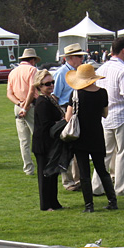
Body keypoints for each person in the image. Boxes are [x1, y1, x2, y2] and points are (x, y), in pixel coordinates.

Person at [94, 36, 124, 198]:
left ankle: (97, 186)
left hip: (106, 115)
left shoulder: (101, 69)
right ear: (123, 50)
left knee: (106, 153)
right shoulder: (123, 69)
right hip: (121, 114)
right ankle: (120, 187)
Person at [64, 63, 115, 213]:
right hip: (97, 135)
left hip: (80, 137)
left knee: (84, 172)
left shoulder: (75, 94)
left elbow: (68, 117)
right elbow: (104, 114)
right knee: (102, 170)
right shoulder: (102, 93)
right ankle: (112, 201)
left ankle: (89, 205)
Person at [52, 42, 89, 191]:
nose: (82, 59)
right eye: (79, 56)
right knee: (66, 146)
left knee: (77, 146)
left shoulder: (78, 71)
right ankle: (68, 181)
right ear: (71, 58)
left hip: (77, 110)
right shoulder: (62, 73)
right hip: (65, 111)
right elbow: (55, 95)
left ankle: (78, 179)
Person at [31, 70, 65, 212]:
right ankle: (46, 205)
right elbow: (46, 125)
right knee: (45, 175)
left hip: (51, 143)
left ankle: (54, 202)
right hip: (43, 144)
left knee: (52, 174)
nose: (51, 86)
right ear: (39, 86)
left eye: (52, 82)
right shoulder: (42, 102)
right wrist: (61, 122)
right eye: (47, 84)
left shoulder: (49, 99)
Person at [7, 48, 40, 175]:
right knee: (37, 137)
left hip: (18, 105)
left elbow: (9, 94)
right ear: (32, 60)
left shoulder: (13, 72)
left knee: (24, 140)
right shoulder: (33, 70)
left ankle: (28, 169)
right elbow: (32, 91)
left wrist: (20, 104)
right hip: (31, 106)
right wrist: (26, 107)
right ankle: (42, 165)